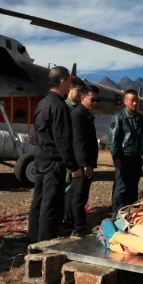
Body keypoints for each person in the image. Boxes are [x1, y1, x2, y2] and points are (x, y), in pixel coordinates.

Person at [28, 67, 82, 243]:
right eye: (69, 82)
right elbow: (63, 142)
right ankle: (45, 242)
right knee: (51, 204)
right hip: (53, 162)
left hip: (40, 158)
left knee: (39, 200)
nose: (70, 86)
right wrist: (73, 166)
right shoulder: (59, 106)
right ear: (62, 82)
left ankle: (34, 237)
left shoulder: (42, 103)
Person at [66, 84, 100, 237]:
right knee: (79, 196)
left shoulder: (84, 113)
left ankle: (68, 222)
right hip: (82, 163)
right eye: (92, 100)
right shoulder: (79, 114)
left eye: (96, 101)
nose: (95, 103)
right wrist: (85, 164)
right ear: (83, 98)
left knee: (72, 194)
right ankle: (79, 227)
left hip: (82, 162)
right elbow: (79, 142)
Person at [109, 89, 143, 215]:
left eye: (136, 101)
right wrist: (115, 157)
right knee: (121, 188)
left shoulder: (141, 119)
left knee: (133, 187)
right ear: (125, 101)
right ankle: (117, 214)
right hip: (123, 158)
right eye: (132, 101)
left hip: (136, 158)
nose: (135, 103)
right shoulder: (119, 117)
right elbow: (113, 139)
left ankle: (130, 213)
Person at [63, 77, 85, 229]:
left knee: (75, 191)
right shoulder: (65, 108)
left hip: (76, 157)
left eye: (81, 91)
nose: (80, 94)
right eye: (77, 90)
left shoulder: (79, 109)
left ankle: (70, 218)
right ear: (69, 90)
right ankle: (67, 219)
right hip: (68, 155)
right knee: (67, 189)